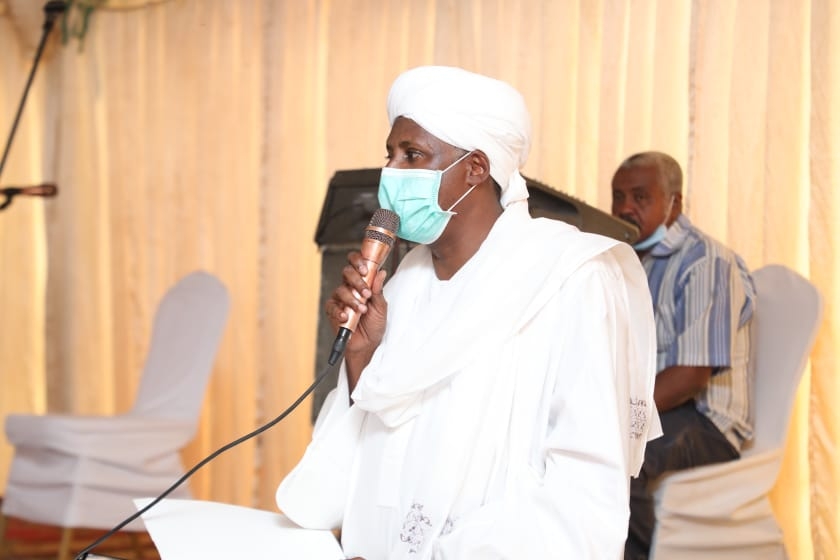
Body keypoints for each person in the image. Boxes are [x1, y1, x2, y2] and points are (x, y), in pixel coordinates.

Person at [276, 65, 659, 560]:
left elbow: (583, 492)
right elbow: (377, 454)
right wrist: (360, 357)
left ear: (476, 167)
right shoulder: (406, 282)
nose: (391, 172)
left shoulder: (570, 278)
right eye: (390, 154)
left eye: (412, 155)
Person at [610, 151, 756, 559]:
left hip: (706, 420)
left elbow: (690, 377)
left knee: (623, 456)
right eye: (618, 196)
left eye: (641, 197)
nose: (625, 207)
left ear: (674, 203)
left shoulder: (706, 261)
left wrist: (616, 415)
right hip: (654, 410)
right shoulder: (627, 259)